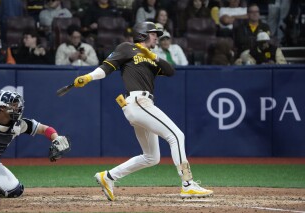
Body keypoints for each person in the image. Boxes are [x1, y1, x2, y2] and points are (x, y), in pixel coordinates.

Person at [71, 21, 213, 201]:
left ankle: (108, 177)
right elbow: (106, 68)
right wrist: (88, 77)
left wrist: (153, 57)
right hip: (138, 102)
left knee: (152, 157)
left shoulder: (152, 56)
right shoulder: (127, 48)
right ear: (142, 34)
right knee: (177, 136)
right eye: (153, 33)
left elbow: (170, 71)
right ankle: (187, 184)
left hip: (143, 104)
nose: (156, 37)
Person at [0, 90, 70, 198]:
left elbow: (44, 129)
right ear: (2, 107)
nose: (17, 108)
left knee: (15, 191)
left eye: (17, 105)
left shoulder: (18, 125)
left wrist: (56, 137)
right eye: (13, 105)